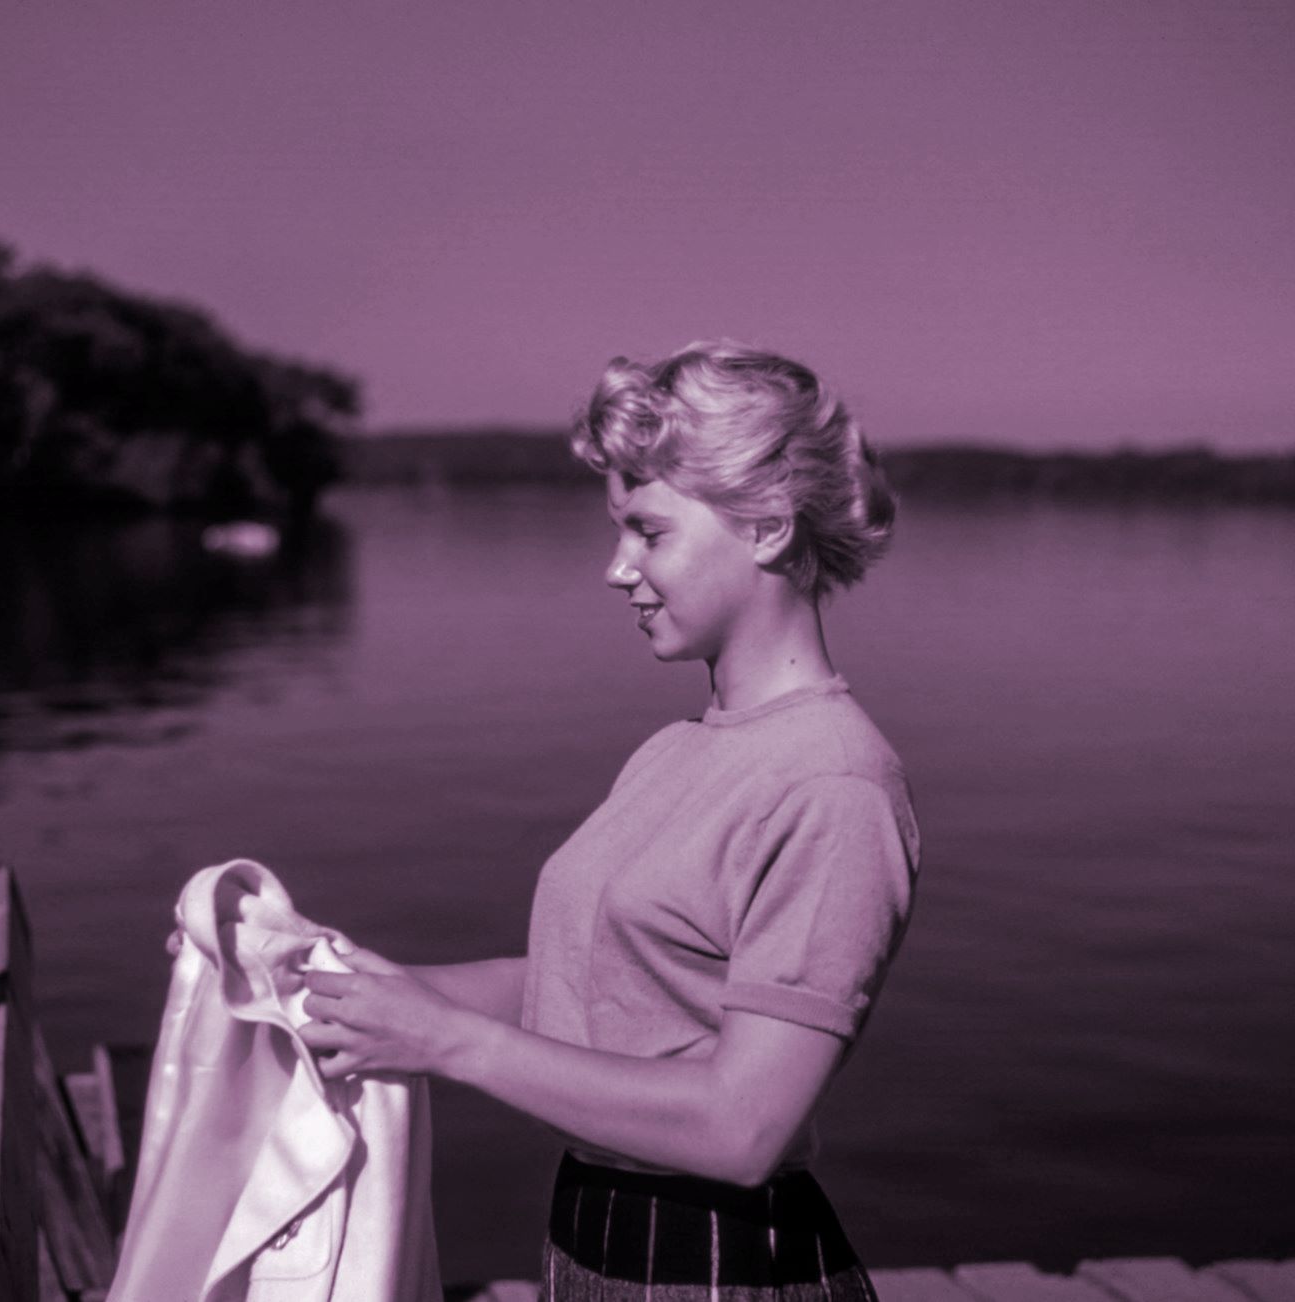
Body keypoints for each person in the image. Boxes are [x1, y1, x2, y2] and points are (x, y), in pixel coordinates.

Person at [297, 341, 921, 1299]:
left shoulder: (833, 782)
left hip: (719, 1268)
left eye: (648, 532)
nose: (615, 569)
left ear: (764, 528)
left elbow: (742, 1128)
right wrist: (365, 988)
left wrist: (446, 1044)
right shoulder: (679, 748)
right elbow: (586, 984)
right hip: (597, 1242)